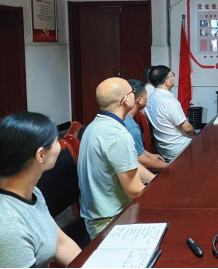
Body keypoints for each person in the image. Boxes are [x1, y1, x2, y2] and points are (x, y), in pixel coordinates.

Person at [0, 112, 82, 268]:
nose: (60, 145)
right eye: (56, 141)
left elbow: (60, 242)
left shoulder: (31, 191)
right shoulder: (9, 226)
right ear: (41, 155)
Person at [78, 78, 154, 240]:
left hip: (98, 214)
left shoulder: (96, 124)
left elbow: (128, 164)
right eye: (132, 92)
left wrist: (155, 181)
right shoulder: (117, 134)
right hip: (110, 221)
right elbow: (134, 190)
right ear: (126, 100)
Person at [145, 66, 196, 162]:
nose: (174, 78)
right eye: (172, 75)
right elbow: (187, 129)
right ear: (167, 81)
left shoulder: (149, 99)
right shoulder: (169, 102)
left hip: (164, 150)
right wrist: (196, 137)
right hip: (179, 149)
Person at [125, 79, 168, 173]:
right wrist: (171, 166)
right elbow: (142, 161)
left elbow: (135, 149)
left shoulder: (125, 118)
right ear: (140, 100)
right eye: (146, 95)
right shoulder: (131, 127)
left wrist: (150, 155)